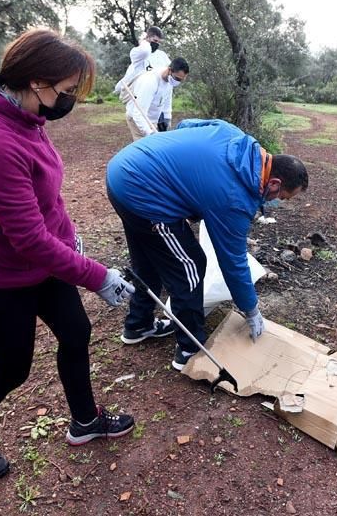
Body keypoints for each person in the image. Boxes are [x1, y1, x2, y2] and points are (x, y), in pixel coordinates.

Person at [0, 28, 138, 482]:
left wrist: (72, 241)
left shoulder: (29, 121)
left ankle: (85, 420)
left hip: (47, 265)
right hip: (3, 279)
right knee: (13, 368)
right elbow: (28, 238)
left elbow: (49, 202)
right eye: (68, 90)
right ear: (37, 82)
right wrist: (97, 275)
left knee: (76, 332)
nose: (69, 100)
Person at [106, 119, 309, 371]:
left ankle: (138, 325)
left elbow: (184, 125)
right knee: (189, 265)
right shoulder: (234, 198)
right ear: (275, 183)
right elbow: (233, 263)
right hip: (143, 192)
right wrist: (251, 309)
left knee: (150, 256)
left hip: (123, 170)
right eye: (283, 198)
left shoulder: (234, 135)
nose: (279, 202)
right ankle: (190, 348)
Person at [123, 57, 190, 140]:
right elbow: (138, 113)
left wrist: (167, 118)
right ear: (169, 70)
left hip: (152, 120)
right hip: (138, 119)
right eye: (177, 79)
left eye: (181, 80)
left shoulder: (169, 80)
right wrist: (150, 134)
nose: (178, 82)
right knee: (145, 149)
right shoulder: (150, 82)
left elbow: (167, 100)